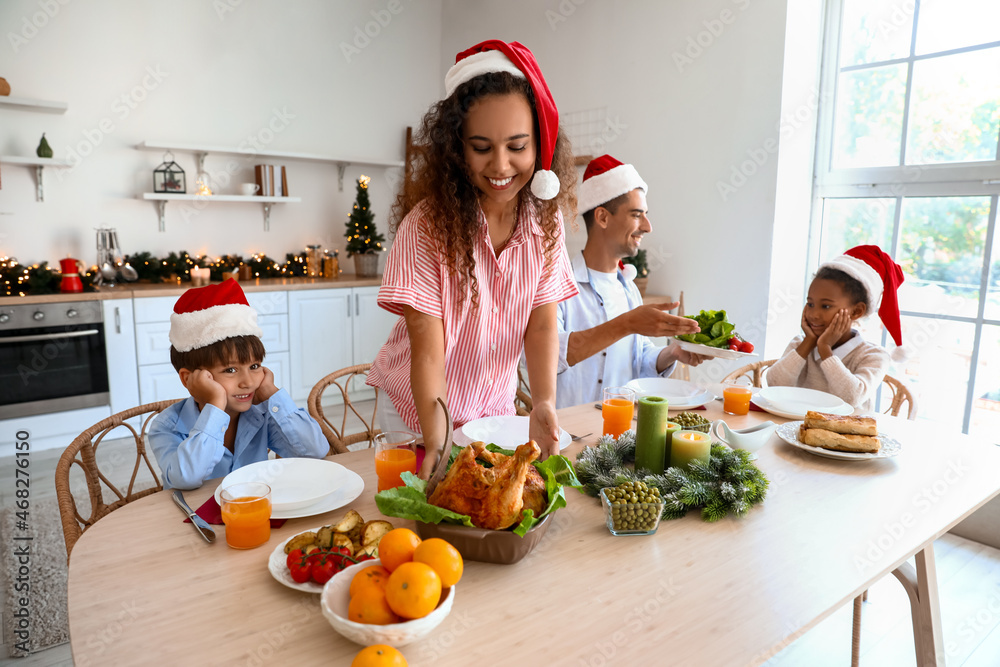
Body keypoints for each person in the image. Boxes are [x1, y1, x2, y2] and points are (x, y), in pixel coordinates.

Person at [366, 40, 579, 477]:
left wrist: (542, 402)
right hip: (417, 413)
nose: (501, 165)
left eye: (517, 146)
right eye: (481, 147)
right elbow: (428, 353)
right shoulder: (427, 227)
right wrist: (439, 447)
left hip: (493, 413)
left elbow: (541, 325)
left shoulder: (545, 222)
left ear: (541, 143)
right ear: (456, 149)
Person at [555, 154, 709, 409]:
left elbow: (638, 360)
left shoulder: (627, 289)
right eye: (637, 215)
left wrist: (672, 353)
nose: (647, 227)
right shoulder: (558, 285)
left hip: (621, 436)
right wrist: (628, 323)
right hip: (569, 436)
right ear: (603, 217)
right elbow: (549, 356)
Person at [149, 279, 327, 489]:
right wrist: (215, 405)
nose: (249, 382)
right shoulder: (167, 427)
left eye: (254, 366)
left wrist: (270, 391)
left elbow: (315, 451)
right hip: (195, 519)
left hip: (255, 512)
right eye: (230, 370)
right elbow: (186, 478)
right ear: (188, 378)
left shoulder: (262, 412)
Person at [766, 245, 907, 411]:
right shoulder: (800, 345)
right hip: (795, 431)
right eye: (810, 304)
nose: (814, 314)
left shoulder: (874, 356)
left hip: (845, 435)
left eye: (825, 306)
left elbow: (851, 397)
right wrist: (808, 343)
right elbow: (774, 384)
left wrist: (825, 350)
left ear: (856, 311)